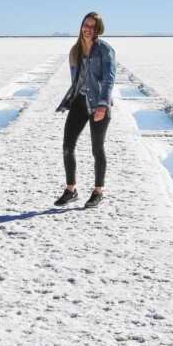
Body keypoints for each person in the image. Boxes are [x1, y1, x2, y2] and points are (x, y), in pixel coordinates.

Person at [55, 11, 116, 208]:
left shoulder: (105, 50)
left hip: (98, 105)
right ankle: (71, 190)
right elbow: (76, 79)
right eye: (85, 25)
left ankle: (98, 192)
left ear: (97, 29)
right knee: (67, 146)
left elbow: (109, 79)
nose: (87, 29)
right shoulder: (76, 50)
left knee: (97, 149)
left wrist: (102, 104)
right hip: (79, 103)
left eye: (91, 26)